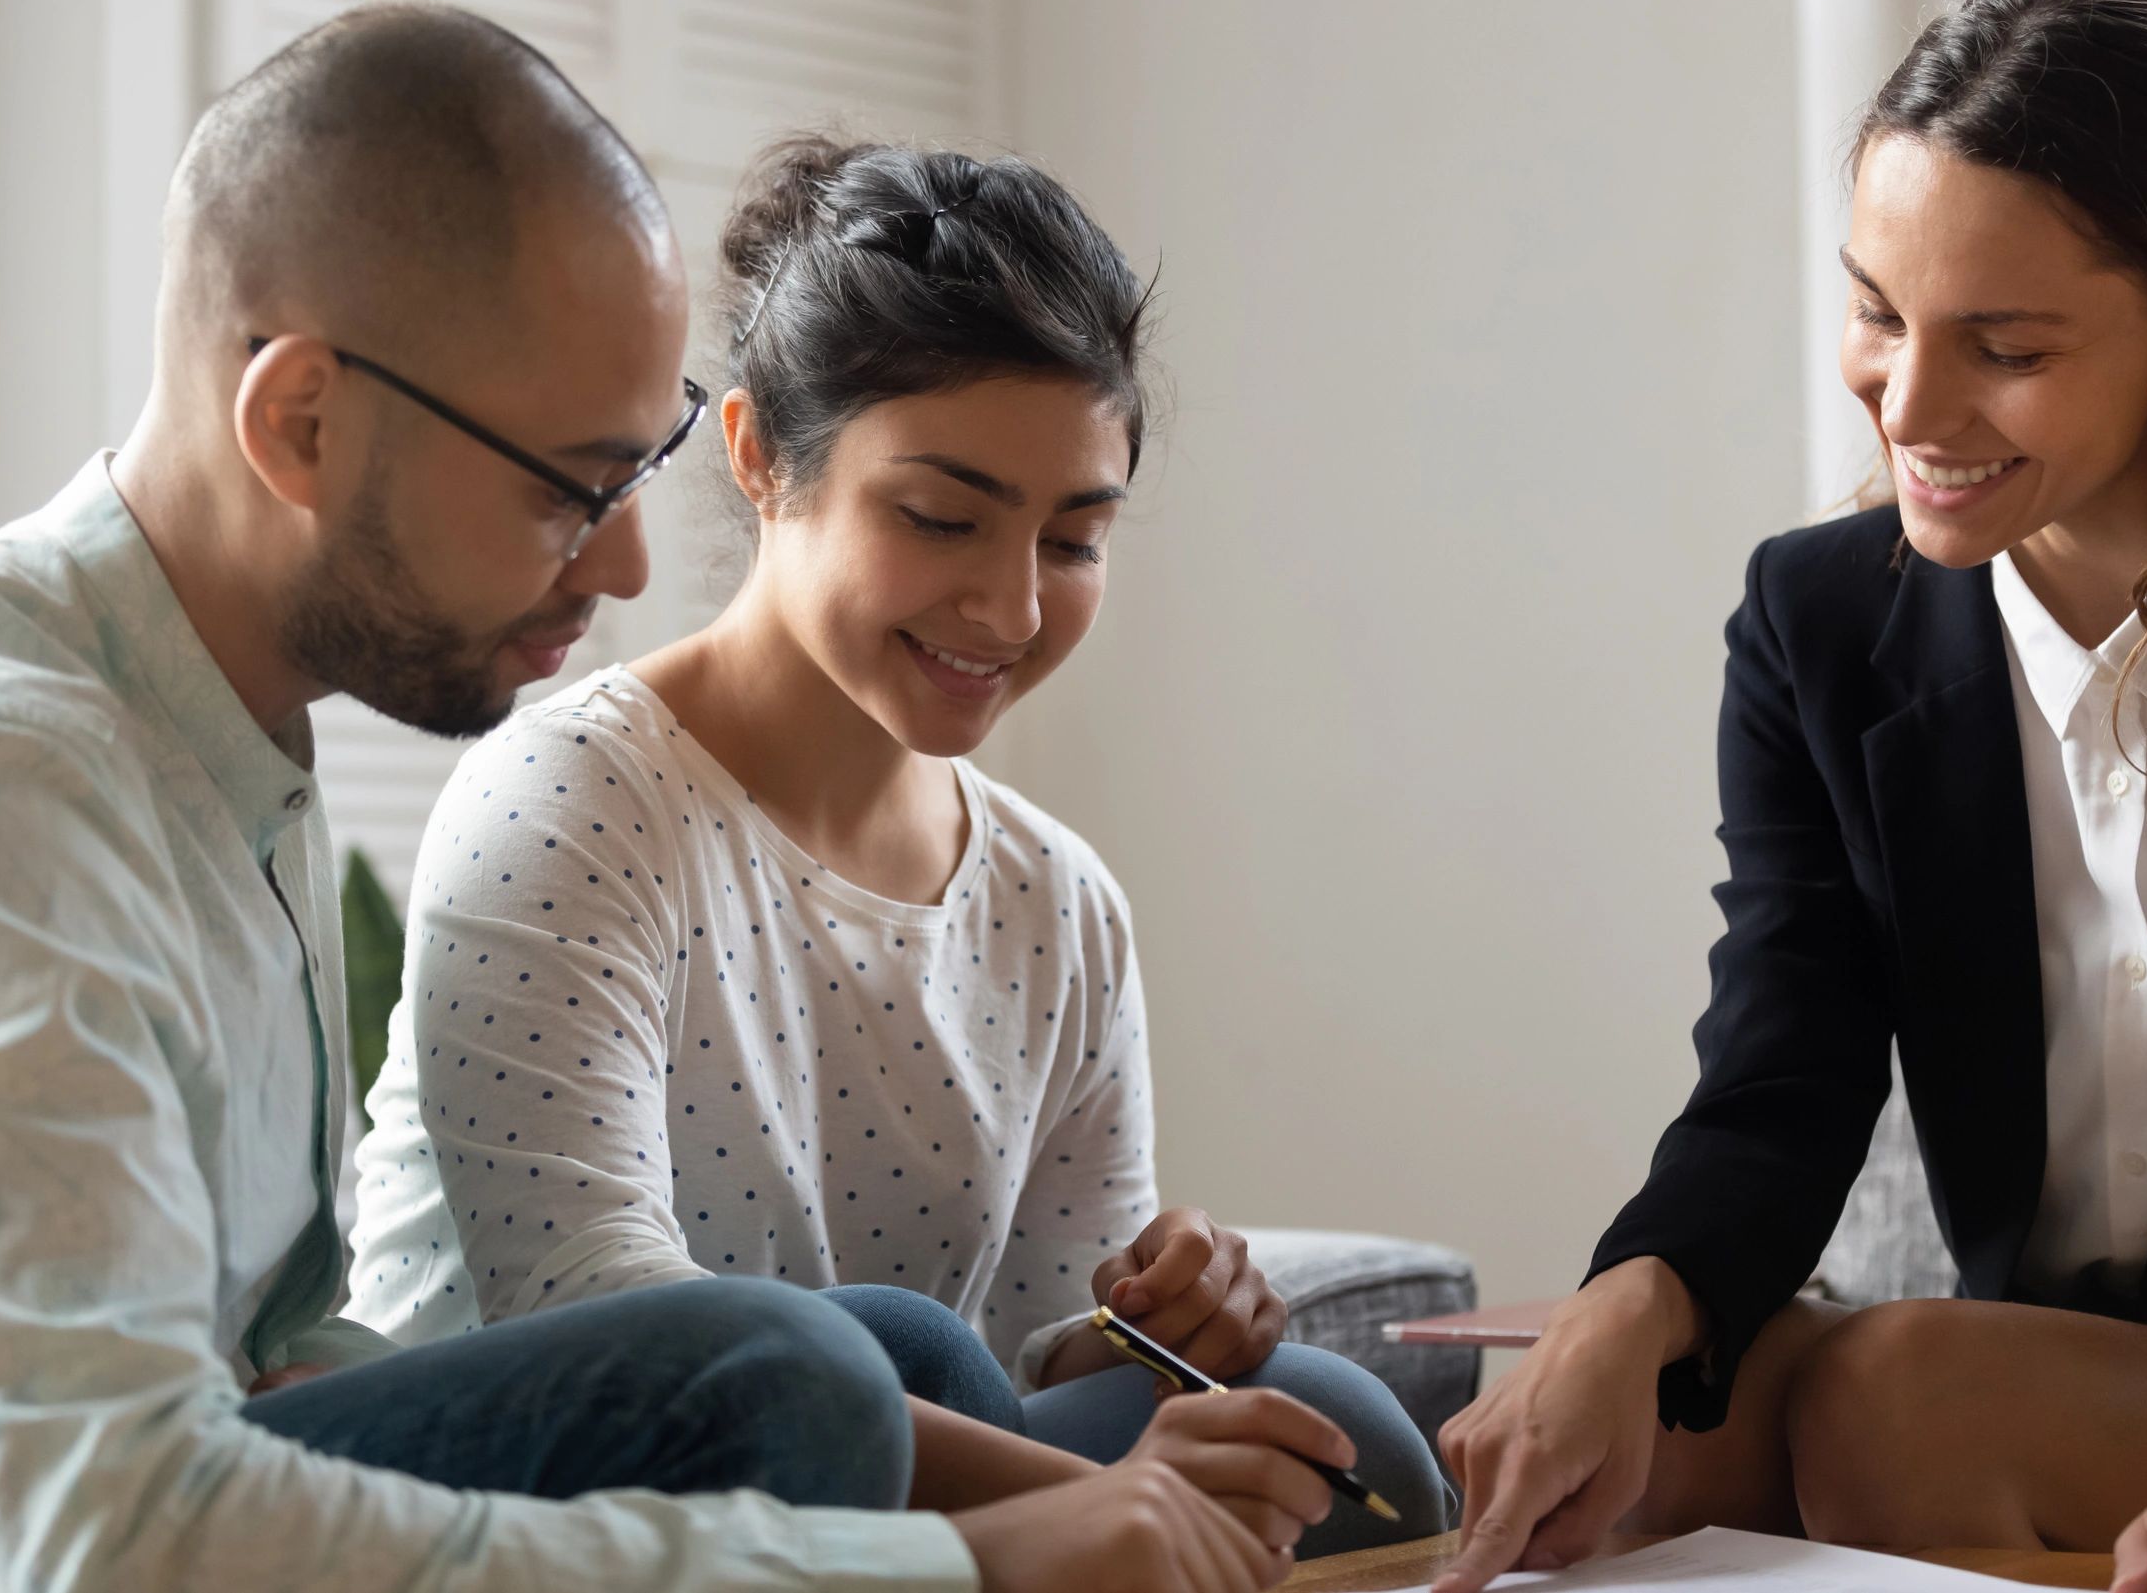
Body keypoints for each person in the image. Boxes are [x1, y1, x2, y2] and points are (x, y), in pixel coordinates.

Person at [0, 4, 1317, 1593]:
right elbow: (104, 1536)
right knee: (786, 1380)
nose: (630, 561)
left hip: (109, 1503)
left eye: (632, 472)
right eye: (566, 486)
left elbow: (254, 1368)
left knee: (1122, 1398)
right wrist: (965, 1564)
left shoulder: (221, 739)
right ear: (298, 420)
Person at [344, 133, 1449, 1559]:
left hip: (869, 1473)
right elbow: (608, 1321)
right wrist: (1089, 1504)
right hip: (554, 1510)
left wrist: (1157, 1325)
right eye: (940, 517)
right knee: (880, 1347)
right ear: (754, 455)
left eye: (1073, 539)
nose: (1007, 605)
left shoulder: (1058, 903)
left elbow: (1041, 1351)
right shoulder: (570, 799)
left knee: (1333, 1430)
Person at [1432, 0, 2147, 1593]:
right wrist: (1617, 1305)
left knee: (1898, 1393)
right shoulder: (1819, 618)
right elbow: (1785, 1057)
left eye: (2000, 345)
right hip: (2076, 1353)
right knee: (1650, 1427)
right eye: (1874, 310)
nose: (1907, 402)